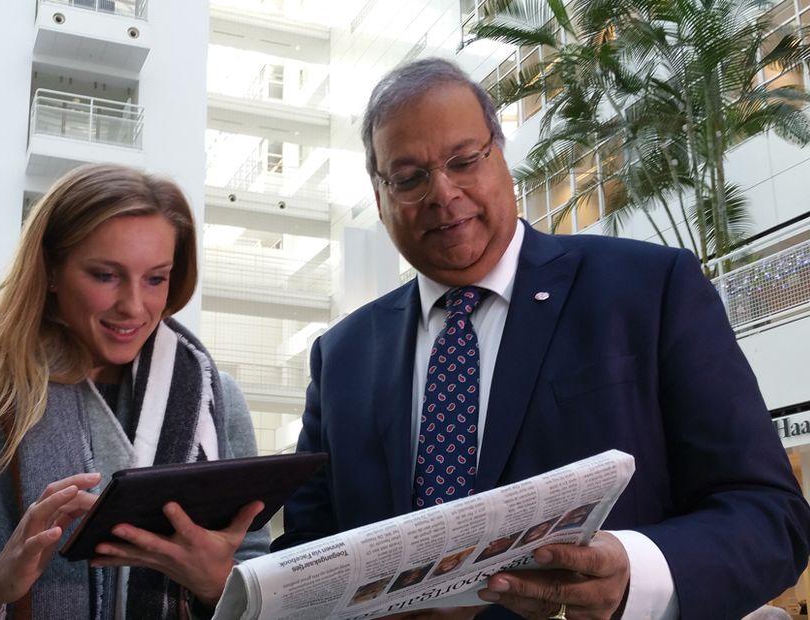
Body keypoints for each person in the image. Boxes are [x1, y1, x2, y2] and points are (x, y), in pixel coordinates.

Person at [272, 57, 810, 620]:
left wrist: (633, 574)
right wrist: (226, 582)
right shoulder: (341, 358)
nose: (443, 193)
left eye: (463, 160)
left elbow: (770, 515)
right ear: (380, 198)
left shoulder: (648, 290)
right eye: (408, 178)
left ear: (502, 158)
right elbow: (311, 554)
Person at [0, 162, 268, 619]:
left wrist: (213, 580)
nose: (133, 305)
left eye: (156, 278)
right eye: (104, 275)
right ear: (51, 270)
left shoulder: (216, 399)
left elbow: (258, 575)